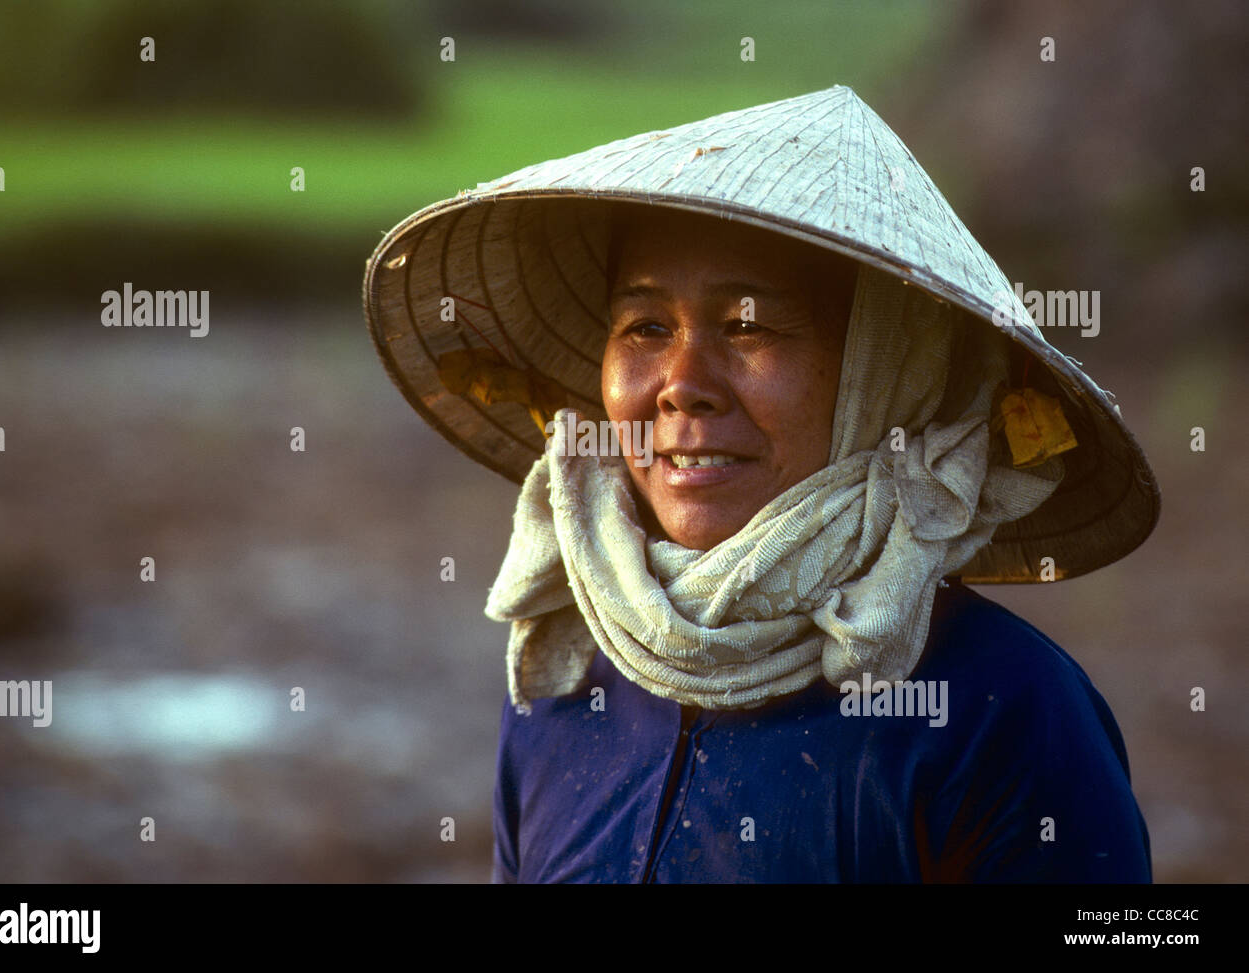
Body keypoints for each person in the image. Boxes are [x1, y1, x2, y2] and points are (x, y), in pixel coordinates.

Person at [362, 85, 1160, 883]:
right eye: (645, 327)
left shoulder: (1002, 713)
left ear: (882, 376)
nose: (682, 384)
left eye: (747, 326)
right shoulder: (564, 679)